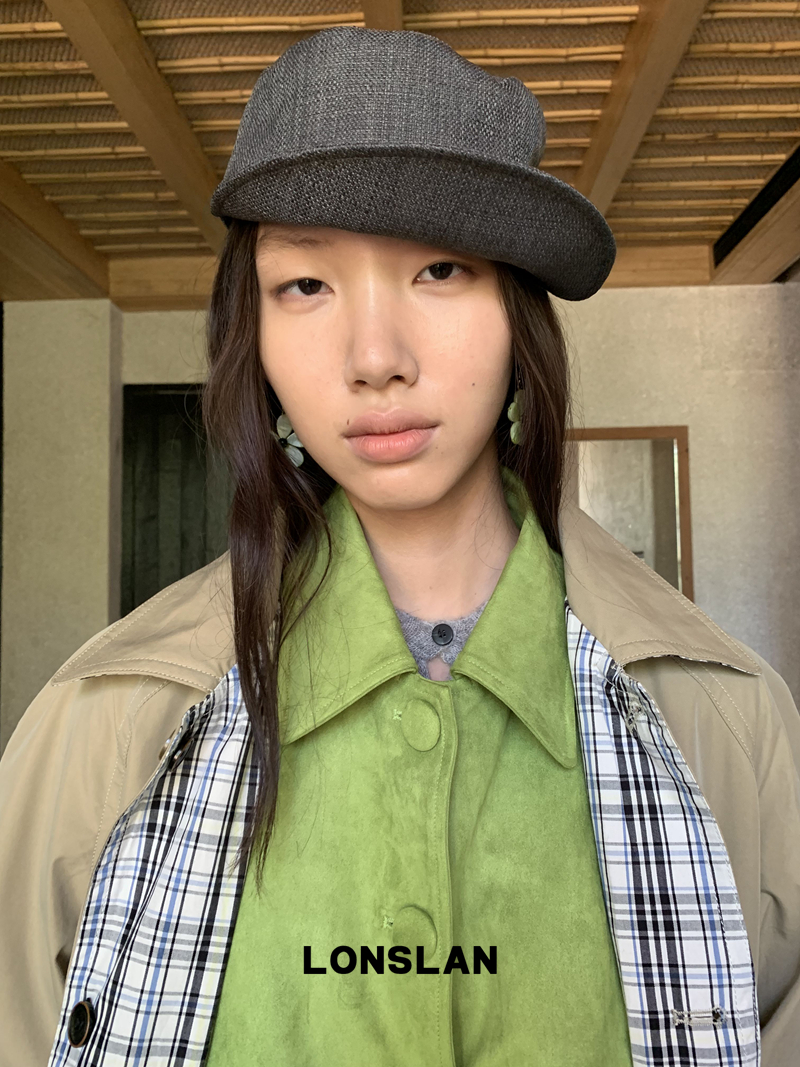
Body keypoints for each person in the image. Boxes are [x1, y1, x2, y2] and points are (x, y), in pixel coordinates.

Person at [0, 24, 798, 1067]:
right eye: (305, 284)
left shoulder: (726, 722)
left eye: (438, 268)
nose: (374, 357)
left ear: (517, 315)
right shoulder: (104, 721)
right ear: (254, 336)